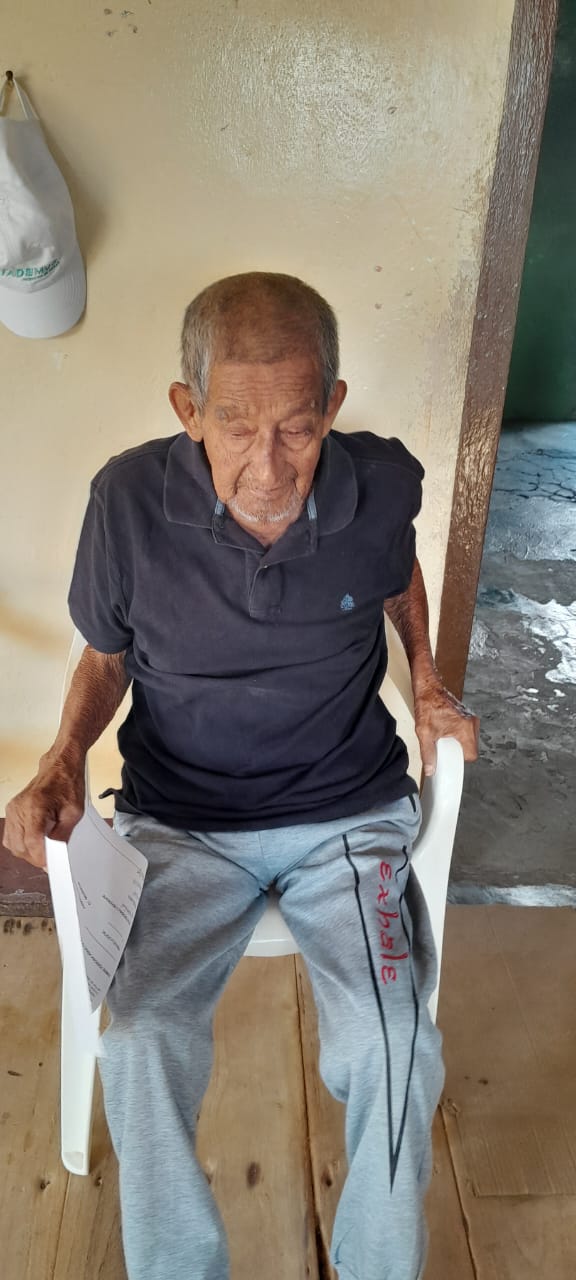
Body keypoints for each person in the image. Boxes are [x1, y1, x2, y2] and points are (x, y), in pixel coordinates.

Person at [4, 273, 479, 1280]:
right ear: (189, 409)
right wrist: (61, 757)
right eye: (235, 425)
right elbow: (105, 656)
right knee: (141, 1038)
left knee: (395, 1044)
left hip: (347, 815)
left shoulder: (380, 482)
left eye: (299, 428)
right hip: (183, 820)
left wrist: (429, 676)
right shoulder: (127, 502)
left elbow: (395, 568)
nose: (270, 466)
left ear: (333, 407)